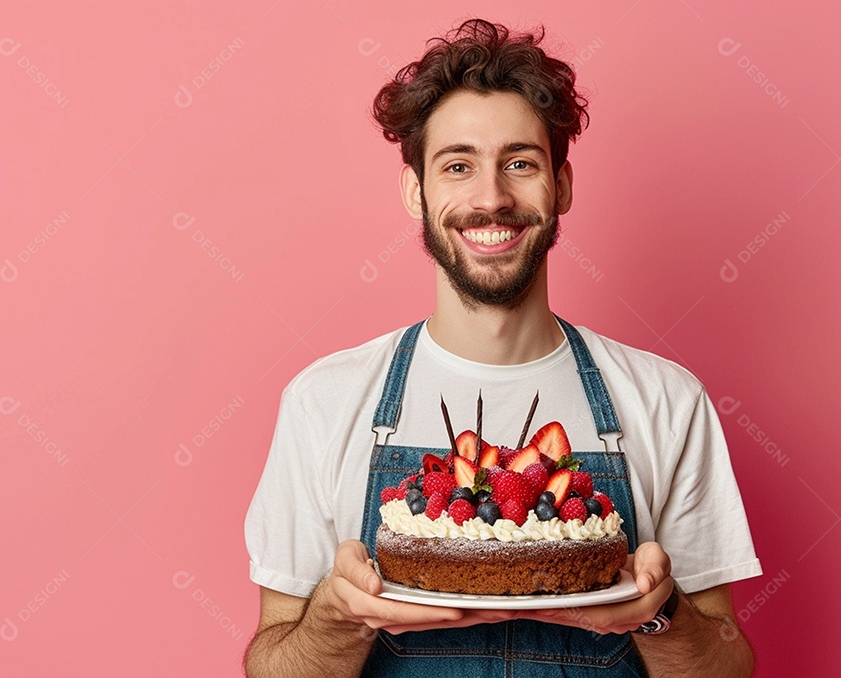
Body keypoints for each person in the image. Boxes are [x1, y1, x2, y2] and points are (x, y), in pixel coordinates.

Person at [243, 18, 761, 677]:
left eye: (520, 163)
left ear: (562, 186)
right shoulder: (324, 401)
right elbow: (276, 664)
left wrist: (658, 615)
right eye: (457, 166)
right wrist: (337, 619)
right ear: (416, 192)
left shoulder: (666, 399)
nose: (491, 198)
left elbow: (727, 666)